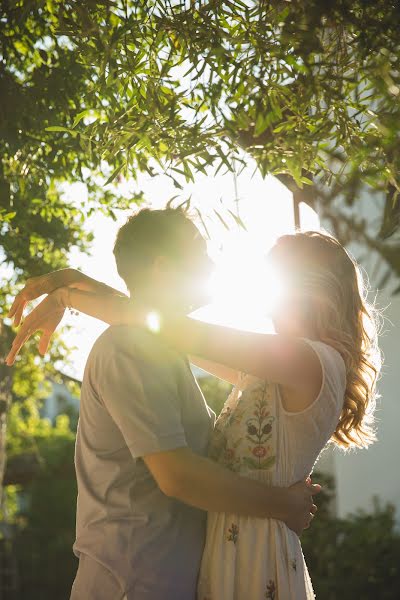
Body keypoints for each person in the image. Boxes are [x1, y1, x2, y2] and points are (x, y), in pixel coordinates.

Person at [6, 207, 320, 600]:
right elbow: (177, 476)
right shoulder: (127, 348)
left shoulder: (158, 347)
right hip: (133, 578)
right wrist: (282, 505)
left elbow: (149, 317)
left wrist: (74, 285)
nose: (210, 264)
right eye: (199, 252)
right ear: (163, 266)